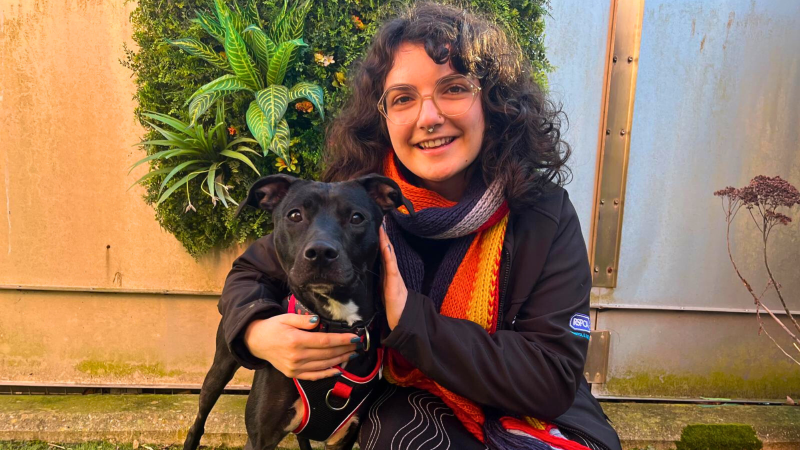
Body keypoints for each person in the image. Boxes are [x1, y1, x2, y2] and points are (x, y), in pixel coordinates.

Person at [219, 3, 622, 449]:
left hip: (535, 420)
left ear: (493, 102)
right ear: (384, 115)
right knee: (397, 433)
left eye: (453, 88)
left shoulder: (542, 215)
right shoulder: (356, 204)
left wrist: (410, 319)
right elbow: (252, 273)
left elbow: (550, 379)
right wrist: (257, 331)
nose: (428, 117)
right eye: (404, 98)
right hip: (409, 412)